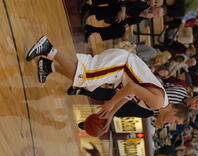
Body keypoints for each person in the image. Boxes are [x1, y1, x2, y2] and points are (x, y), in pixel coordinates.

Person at [26, 35, 188, 131]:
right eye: (175, 121)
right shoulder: (157, 102)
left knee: (85, 82)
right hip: (122, 65)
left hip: (121, 70)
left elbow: (130, 95)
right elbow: (131, 87)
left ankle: (49, 66)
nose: (170, 124)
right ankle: (47, 47)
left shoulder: (156, 105)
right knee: (86, 76)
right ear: (174, 109)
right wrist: (110, 103)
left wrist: (111, 113)